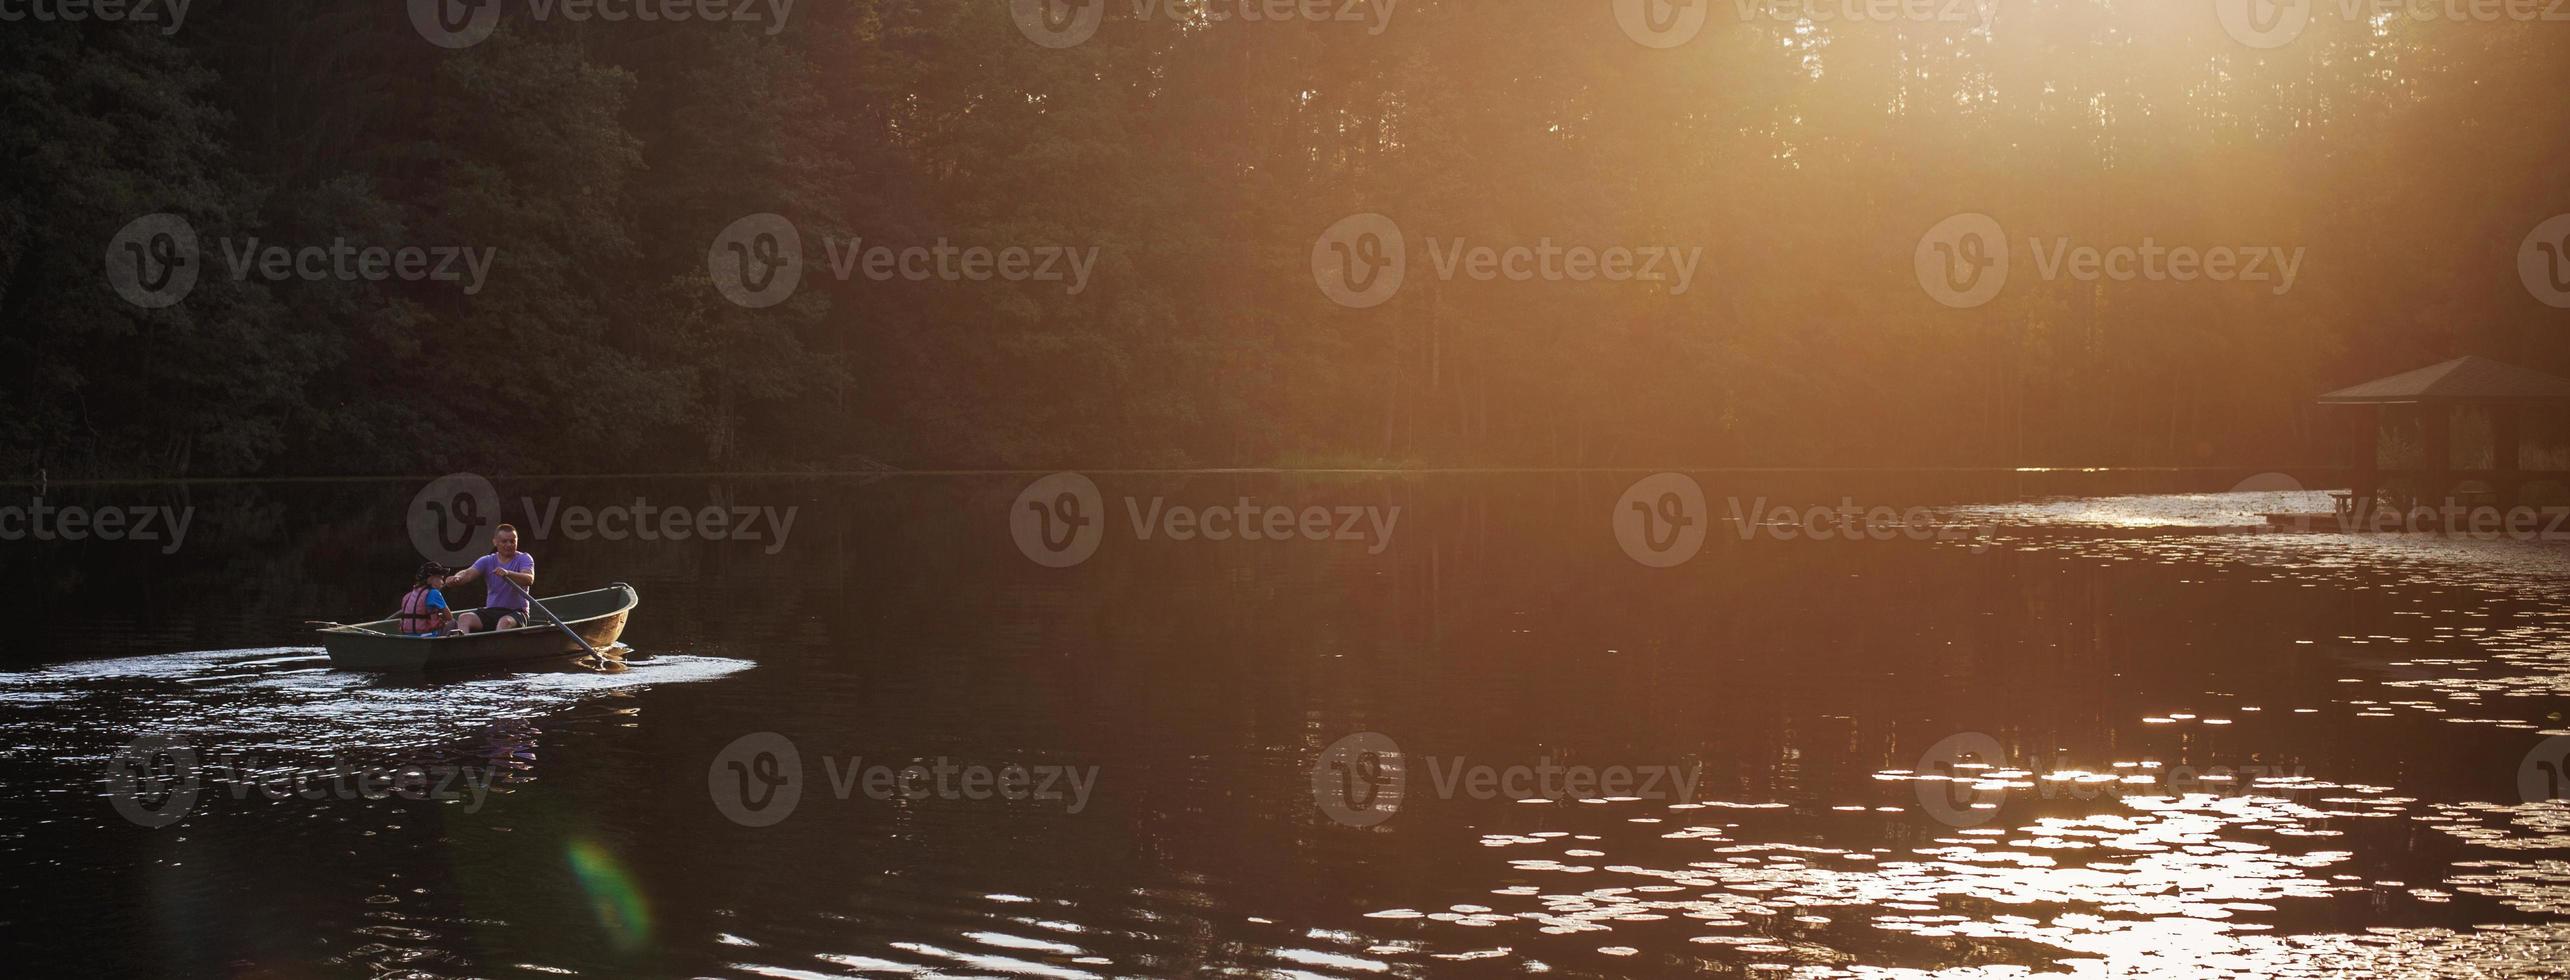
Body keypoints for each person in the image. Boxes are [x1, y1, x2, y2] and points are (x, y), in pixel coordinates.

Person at [446, 524, 536, 633]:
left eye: (512, 541)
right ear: (495, 542)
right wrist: (456, 578)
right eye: (504, 541)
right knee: (464, 618)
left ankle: (496, 649)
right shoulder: (487, 560)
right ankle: (465, 648)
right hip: (492, 611)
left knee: (504, 622)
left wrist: (508, 573)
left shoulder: (524, 558)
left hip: (517, 613)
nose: (509, 545)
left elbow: (528, 579)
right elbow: (468, 573)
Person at [395, 562, 453, 637]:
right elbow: (449, 617)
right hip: (427, 635)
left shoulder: (408, 596)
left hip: (407, 636)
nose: (442, 582)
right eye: (440, 578)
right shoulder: (434, 593)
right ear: (431, 579)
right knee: (452, 622)